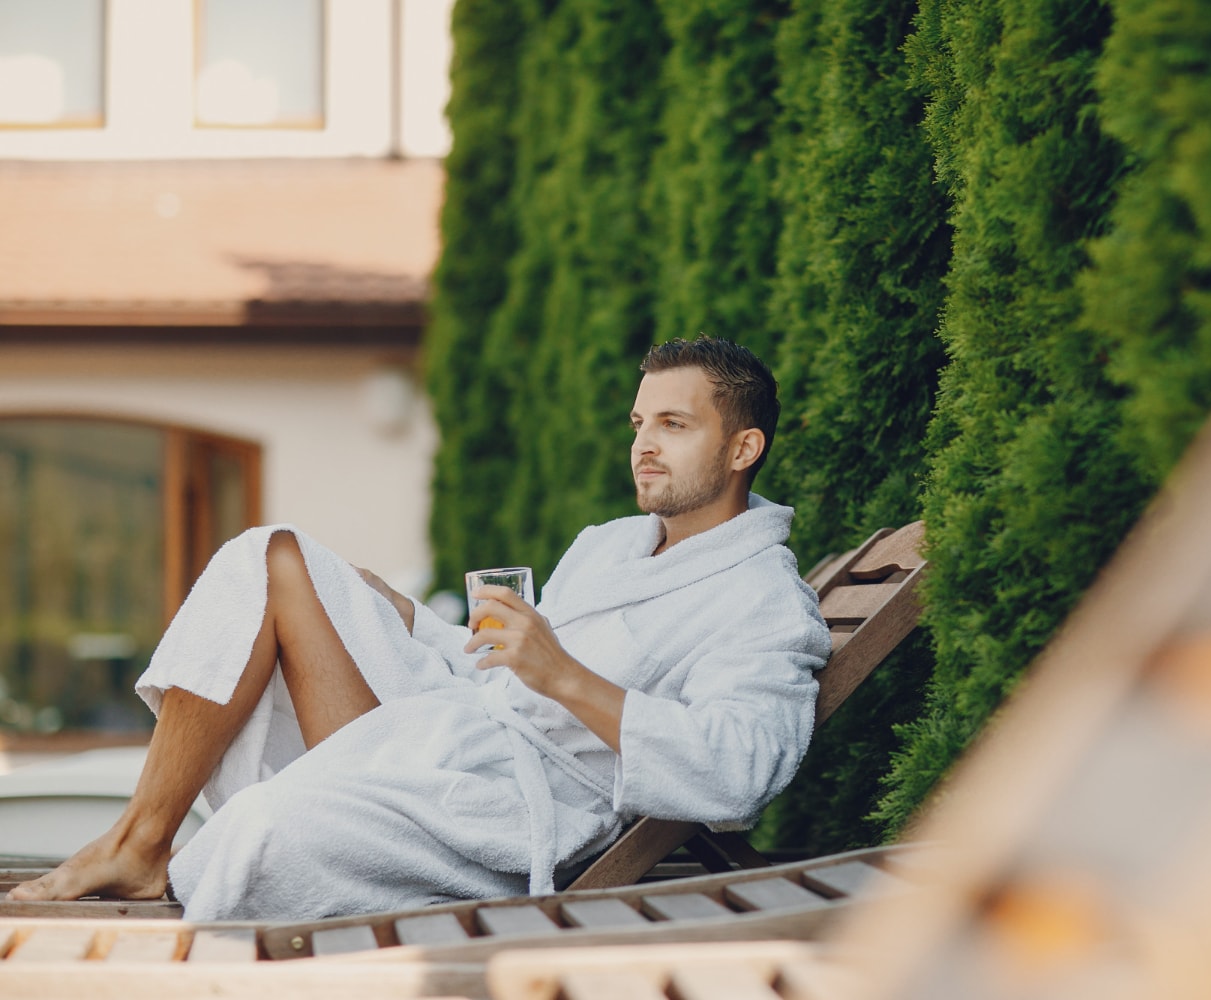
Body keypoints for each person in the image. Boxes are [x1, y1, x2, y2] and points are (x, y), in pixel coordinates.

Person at [8, 337, 831, 920]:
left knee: (257, 831)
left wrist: (564, 676)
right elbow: (503, 672)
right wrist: (409, 622)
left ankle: (169, 849)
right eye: (639, 424)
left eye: (673, 426)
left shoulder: (762, 602)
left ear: (741, 448)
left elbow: (739, 772)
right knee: (273, 557)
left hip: (506, 809)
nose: (644, 447)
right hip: (460, 725)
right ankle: (139, 842)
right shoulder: (614, 542)